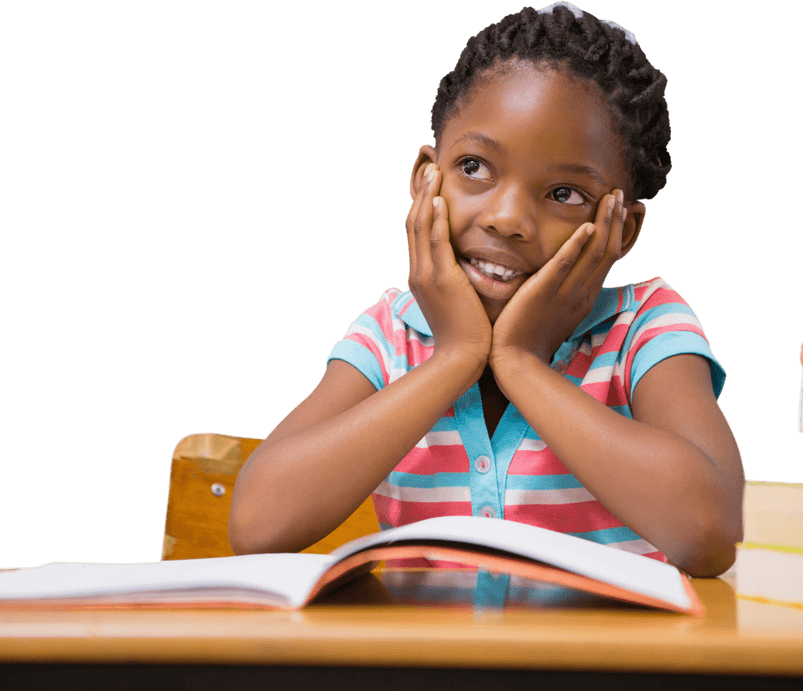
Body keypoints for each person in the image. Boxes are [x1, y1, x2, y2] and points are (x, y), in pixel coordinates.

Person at [229, 1, 745, 577]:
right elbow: (256, 523)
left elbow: (708, 532)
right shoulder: (390, 334)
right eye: (475, 167)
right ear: (428, 178)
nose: (507, 218)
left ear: (620, 227)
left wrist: (522, 363)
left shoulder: (644, 327)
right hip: (428, 668)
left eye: (564, 194)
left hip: (601, 669)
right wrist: (455, 356)